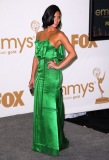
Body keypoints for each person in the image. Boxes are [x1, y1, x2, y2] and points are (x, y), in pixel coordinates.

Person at [29, 4, 76, 156]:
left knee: (51, 110)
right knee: (41, 110)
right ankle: (41, 143)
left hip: (52, 77)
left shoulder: (60, 35)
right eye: (55, 16)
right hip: (40, 76)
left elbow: (72, 53)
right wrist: (32, 76)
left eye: (59, 17)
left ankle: (53, 144)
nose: (57, 20)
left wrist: (58, 66)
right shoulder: (39, 35)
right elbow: (36, 57)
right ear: (48, 16)